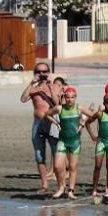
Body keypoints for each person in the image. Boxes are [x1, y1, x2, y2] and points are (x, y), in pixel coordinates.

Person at [20, 62, 62, 194]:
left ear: (48, 72)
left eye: (45, 71)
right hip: (38, 123)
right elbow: (23, 99)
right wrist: (31, 84)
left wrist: (49, 88)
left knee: (57, 154)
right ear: (35, 73)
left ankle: (61, 185)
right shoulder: (33, 88)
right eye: (39, 72)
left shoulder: (55, 86)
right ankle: (44, 185)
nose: (42, 74)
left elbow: (57, 103)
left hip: (52, 122)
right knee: (39, 155)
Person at [46, 86, 95, 199]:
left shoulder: (79, 108)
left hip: (75, 142)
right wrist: (56, 123)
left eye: (72, 97)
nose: (70, 100)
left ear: (75, 98)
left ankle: (71, 191)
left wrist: (83, 123)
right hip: (62, 141)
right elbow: (47, 114)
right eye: (67, 97)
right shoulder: (59, 108)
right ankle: (61, 187)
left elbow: (93, 116)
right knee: (58, 166)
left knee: (72, 167)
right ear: (65, 98)